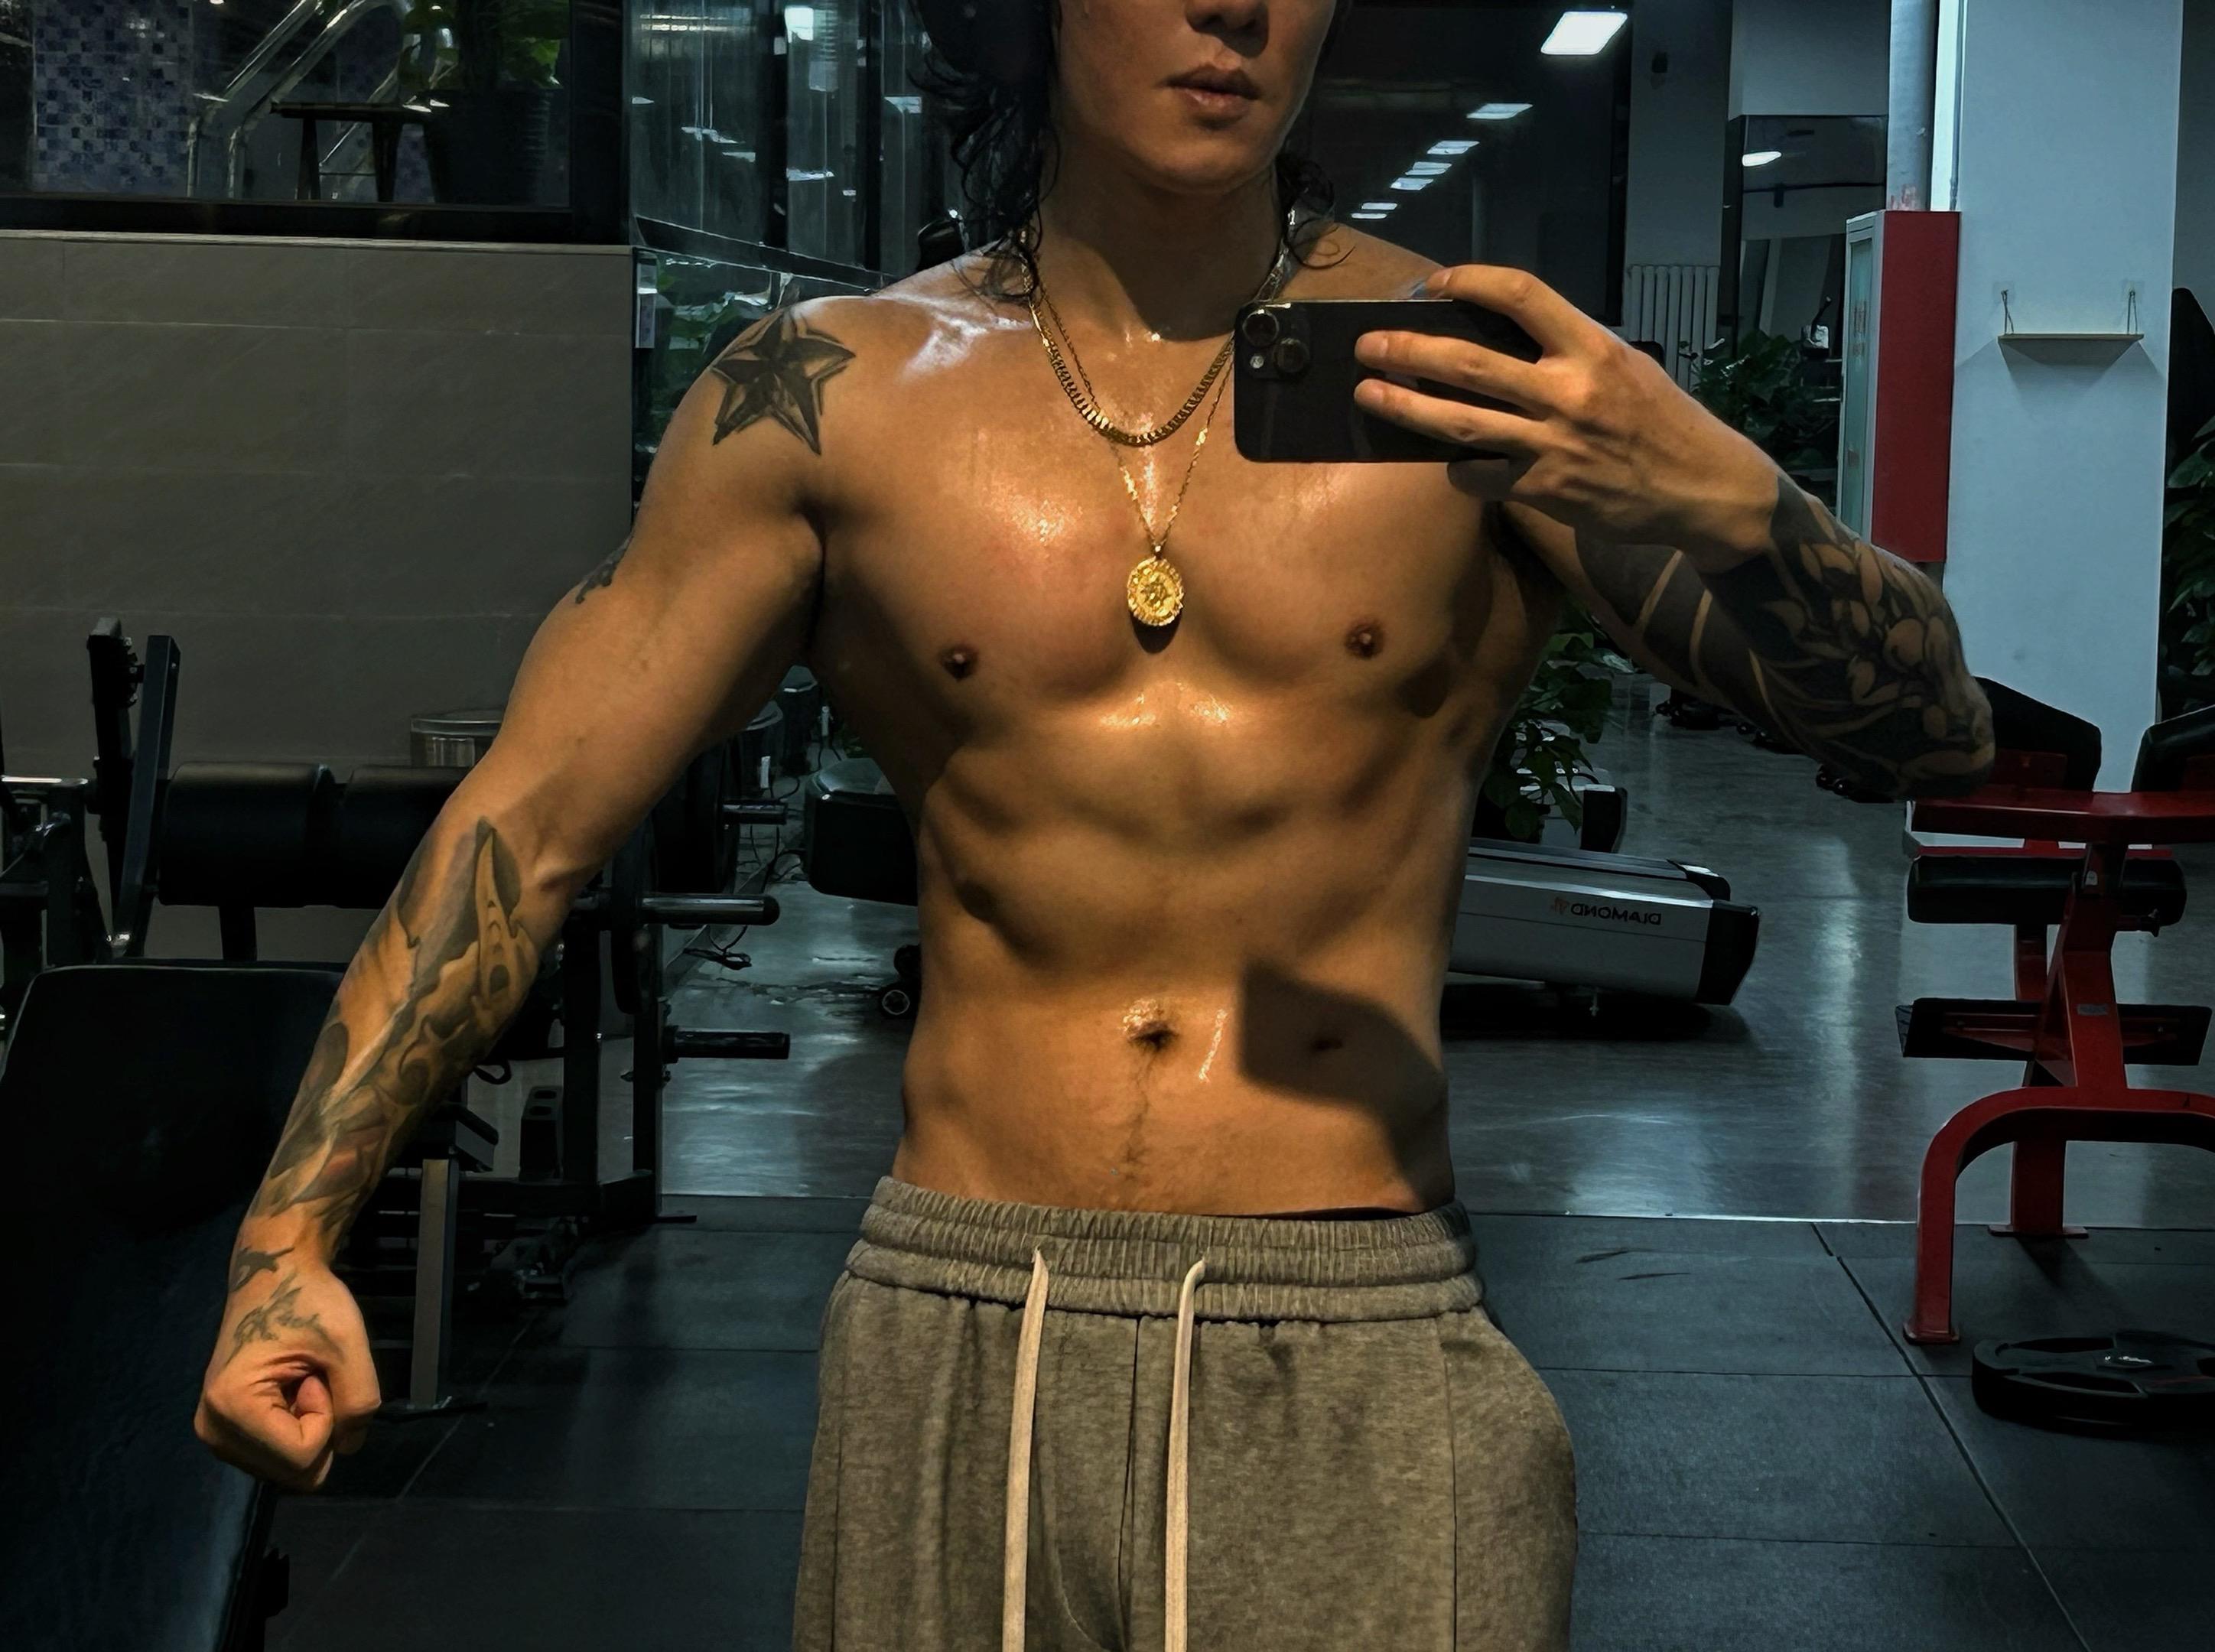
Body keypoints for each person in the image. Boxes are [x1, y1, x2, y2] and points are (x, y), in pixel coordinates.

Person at [195, 2, 1996, 1647]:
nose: (1235, 11)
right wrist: (287, 1240)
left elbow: (1927, 733)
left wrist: (1733, 498)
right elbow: (529, 822)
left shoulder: (1456, 386)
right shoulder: (823, 398)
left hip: (1355, 1315)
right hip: (963, 1313)